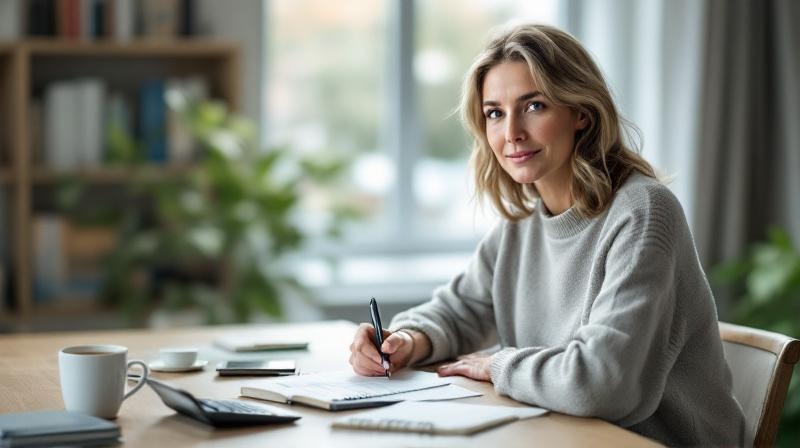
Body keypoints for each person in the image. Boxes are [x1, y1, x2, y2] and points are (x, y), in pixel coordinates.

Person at [348, 23, 745, 445]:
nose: (511, 133)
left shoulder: (643, 213)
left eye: (533, 106)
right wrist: (405, 339)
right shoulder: (522, 225)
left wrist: (499, 365)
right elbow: (460, 311)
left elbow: (600, 382)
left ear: (581, 113)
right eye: (495, 113)